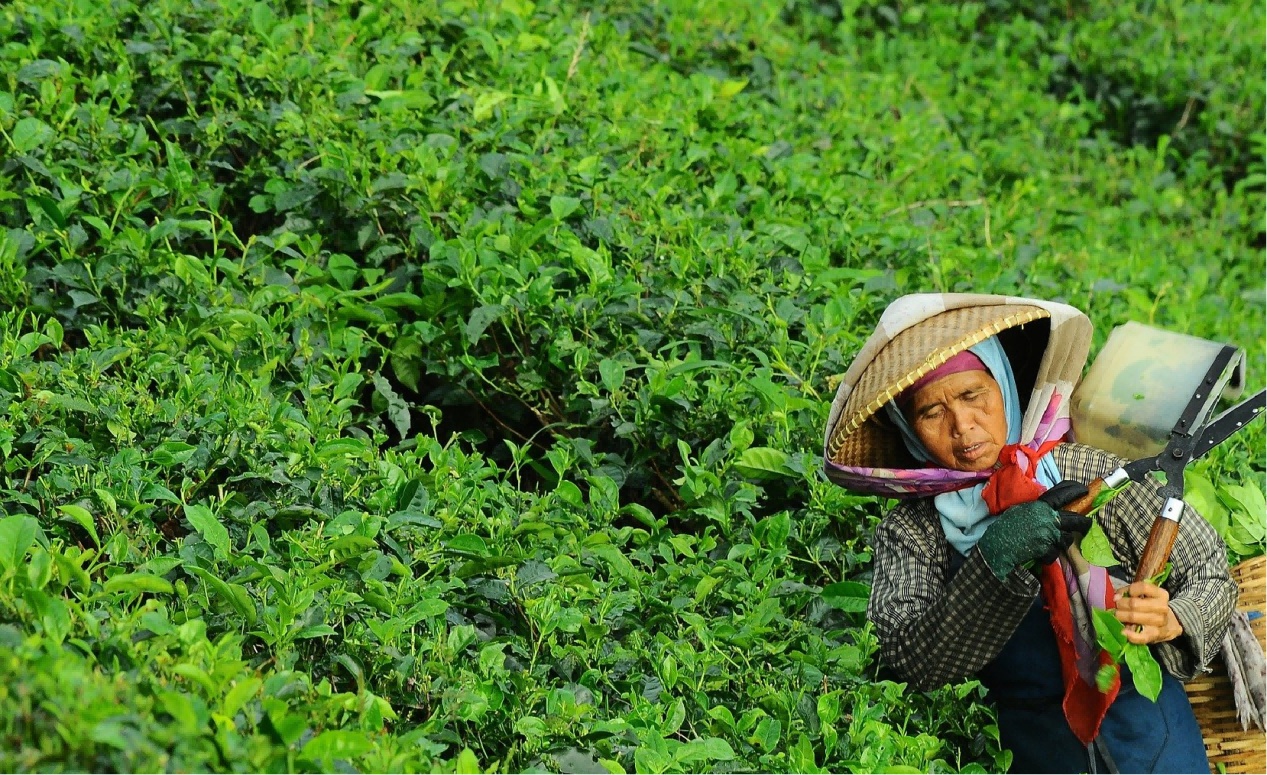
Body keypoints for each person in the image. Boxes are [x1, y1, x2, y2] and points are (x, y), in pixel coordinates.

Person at [822, 294, 1237, 774]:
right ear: (909, 429)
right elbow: (910, 657)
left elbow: (1208, 570)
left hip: (1156, 740)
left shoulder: (1085, 469)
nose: (962, 426)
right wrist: (994, 558)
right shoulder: (914, 530)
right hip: (1037, 751)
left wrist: (1175, 618)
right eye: (931, 413)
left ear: (1003, 387)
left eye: (973, 395)